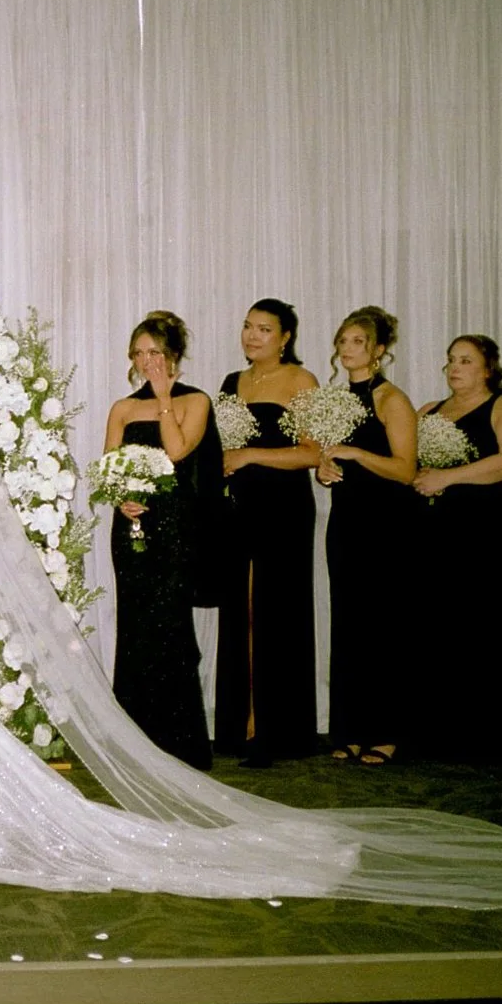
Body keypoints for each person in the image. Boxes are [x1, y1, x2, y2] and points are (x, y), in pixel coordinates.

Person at [0, 302, 502, 905]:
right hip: (20, 540)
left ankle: (149, 749)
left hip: (96, 536)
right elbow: (95, 463)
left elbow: (177, 450)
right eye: (136, 354)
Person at [101, 311, 218, 770]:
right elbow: (107, 465)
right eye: (140, 353)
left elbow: (176, 451)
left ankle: (179, 742)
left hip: (174, 528)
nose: (147, 361)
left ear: (173, 357)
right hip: (130, 527)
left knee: (169, 627)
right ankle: (134, 741)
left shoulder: (196, 401)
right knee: (134, 626)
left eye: (155, 353)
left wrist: (166, 396)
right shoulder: (123, 408)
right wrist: (120, 497)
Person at [410, 336, 502, 762]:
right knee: (440, 620)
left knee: (486, 619)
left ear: (487, 369)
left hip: (490, 527)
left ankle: (486, 735)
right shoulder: (428, 411)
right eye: (450, 361)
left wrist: (447, 477)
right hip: (438, 528)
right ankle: (439, 730)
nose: (454, 368)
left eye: (465, 360)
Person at [214, 300, 319, 768]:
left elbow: (312, 454)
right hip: (238, 506)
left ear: (285, 337)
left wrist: (249, 455)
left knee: (276, 610)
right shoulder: (231, 384)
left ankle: (275, 731)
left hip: (283, 507)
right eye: (247, 326)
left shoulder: (302, 381)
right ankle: (239, 726)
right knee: (240, 609)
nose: (253, 336)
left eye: (264, 329)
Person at [318, 306, 418, 767]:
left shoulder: (390, 399)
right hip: (348, 519)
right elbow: (331, 460)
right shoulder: (336, 398)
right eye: (343, 340)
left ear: (378, 351)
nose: (347, 348)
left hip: (386, 523)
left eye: (358, 341)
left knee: (384, 624)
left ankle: (388, 731)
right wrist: (326, 467)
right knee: (350, 622)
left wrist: (355, 452)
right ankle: (351, 729)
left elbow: (405, 469)